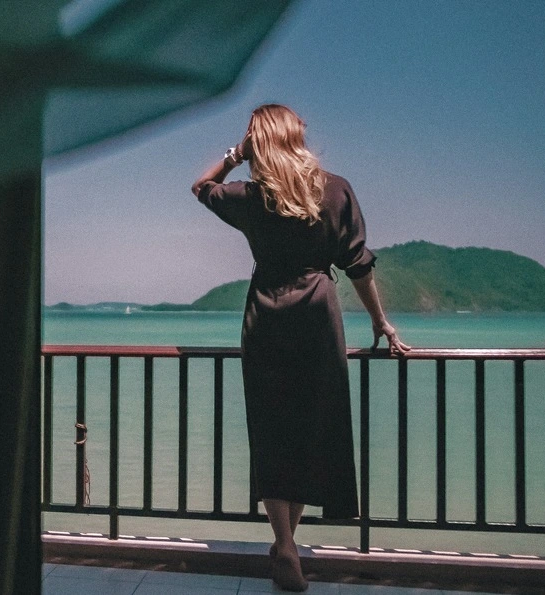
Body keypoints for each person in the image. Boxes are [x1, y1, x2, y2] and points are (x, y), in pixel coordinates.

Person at [191, 104, 410, 591]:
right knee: (312, 424)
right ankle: (292, 539)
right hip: (317, 313)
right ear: (297, 136)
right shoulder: (334, 189)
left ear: (257, 142)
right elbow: (358, 264)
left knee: (272, 428)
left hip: (265, 315)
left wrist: (232, 155)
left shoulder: (251, 196)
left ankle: (284, 541)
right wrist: (381, 322)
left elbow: (200, 187)